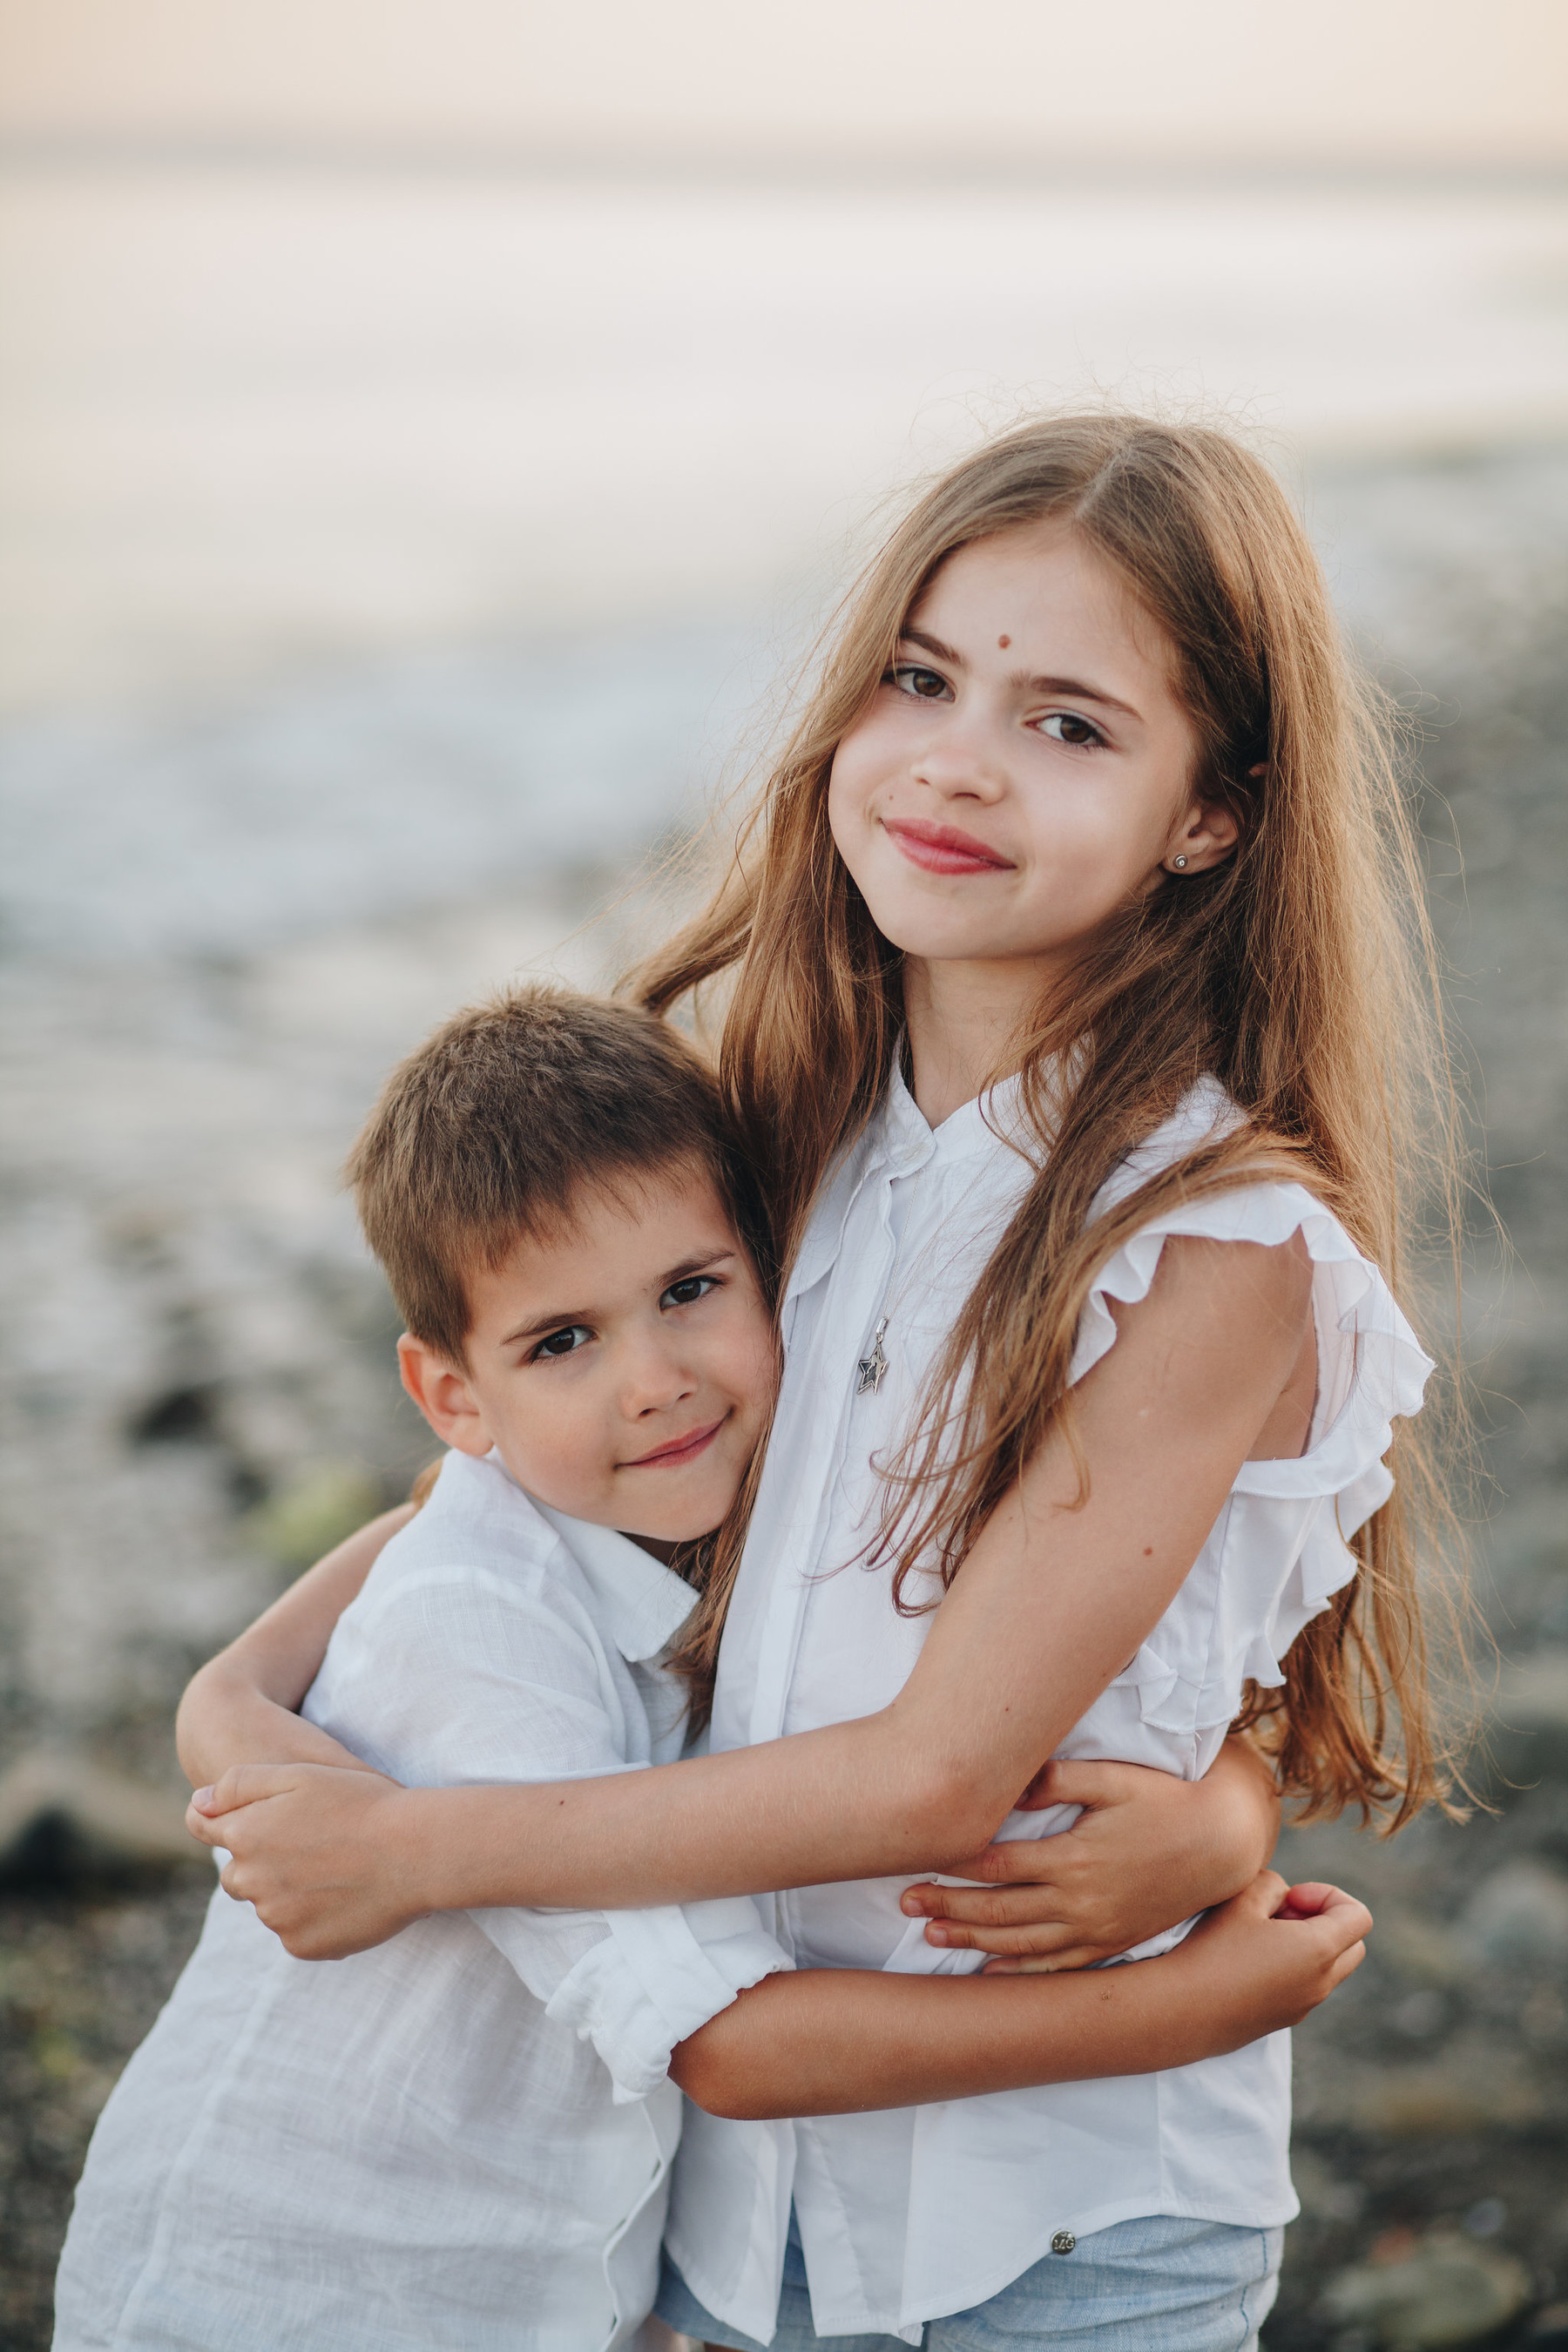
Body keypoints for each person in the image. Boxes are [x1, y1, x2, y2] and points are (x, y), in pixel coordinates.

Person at [180, 414, 1458, 2349]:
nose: (957, 757)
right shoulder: (792, 1121)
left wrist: (420, 1850)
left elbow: (944, 1772)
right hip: (727, 2217)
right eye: (924, 680)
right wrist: (233, 1687)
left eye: (1071, 724)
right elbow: (556, 1471)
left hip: (1063, 2233)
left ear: (1213, 815)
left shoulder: (1212, 1247)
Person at [56, 986, 1365, 2352]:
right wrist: (1178, 2012)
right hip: (287, 2305)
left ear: (780, 1265)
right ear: (454, 1399)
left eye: (690, 1292)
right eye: (561, 1342)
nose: (655, 1382)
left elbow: (1051, 1692)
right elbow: (730, 2045)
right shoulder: (482, 1630)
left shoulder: (700, 1514)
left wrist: (1227, 1812)